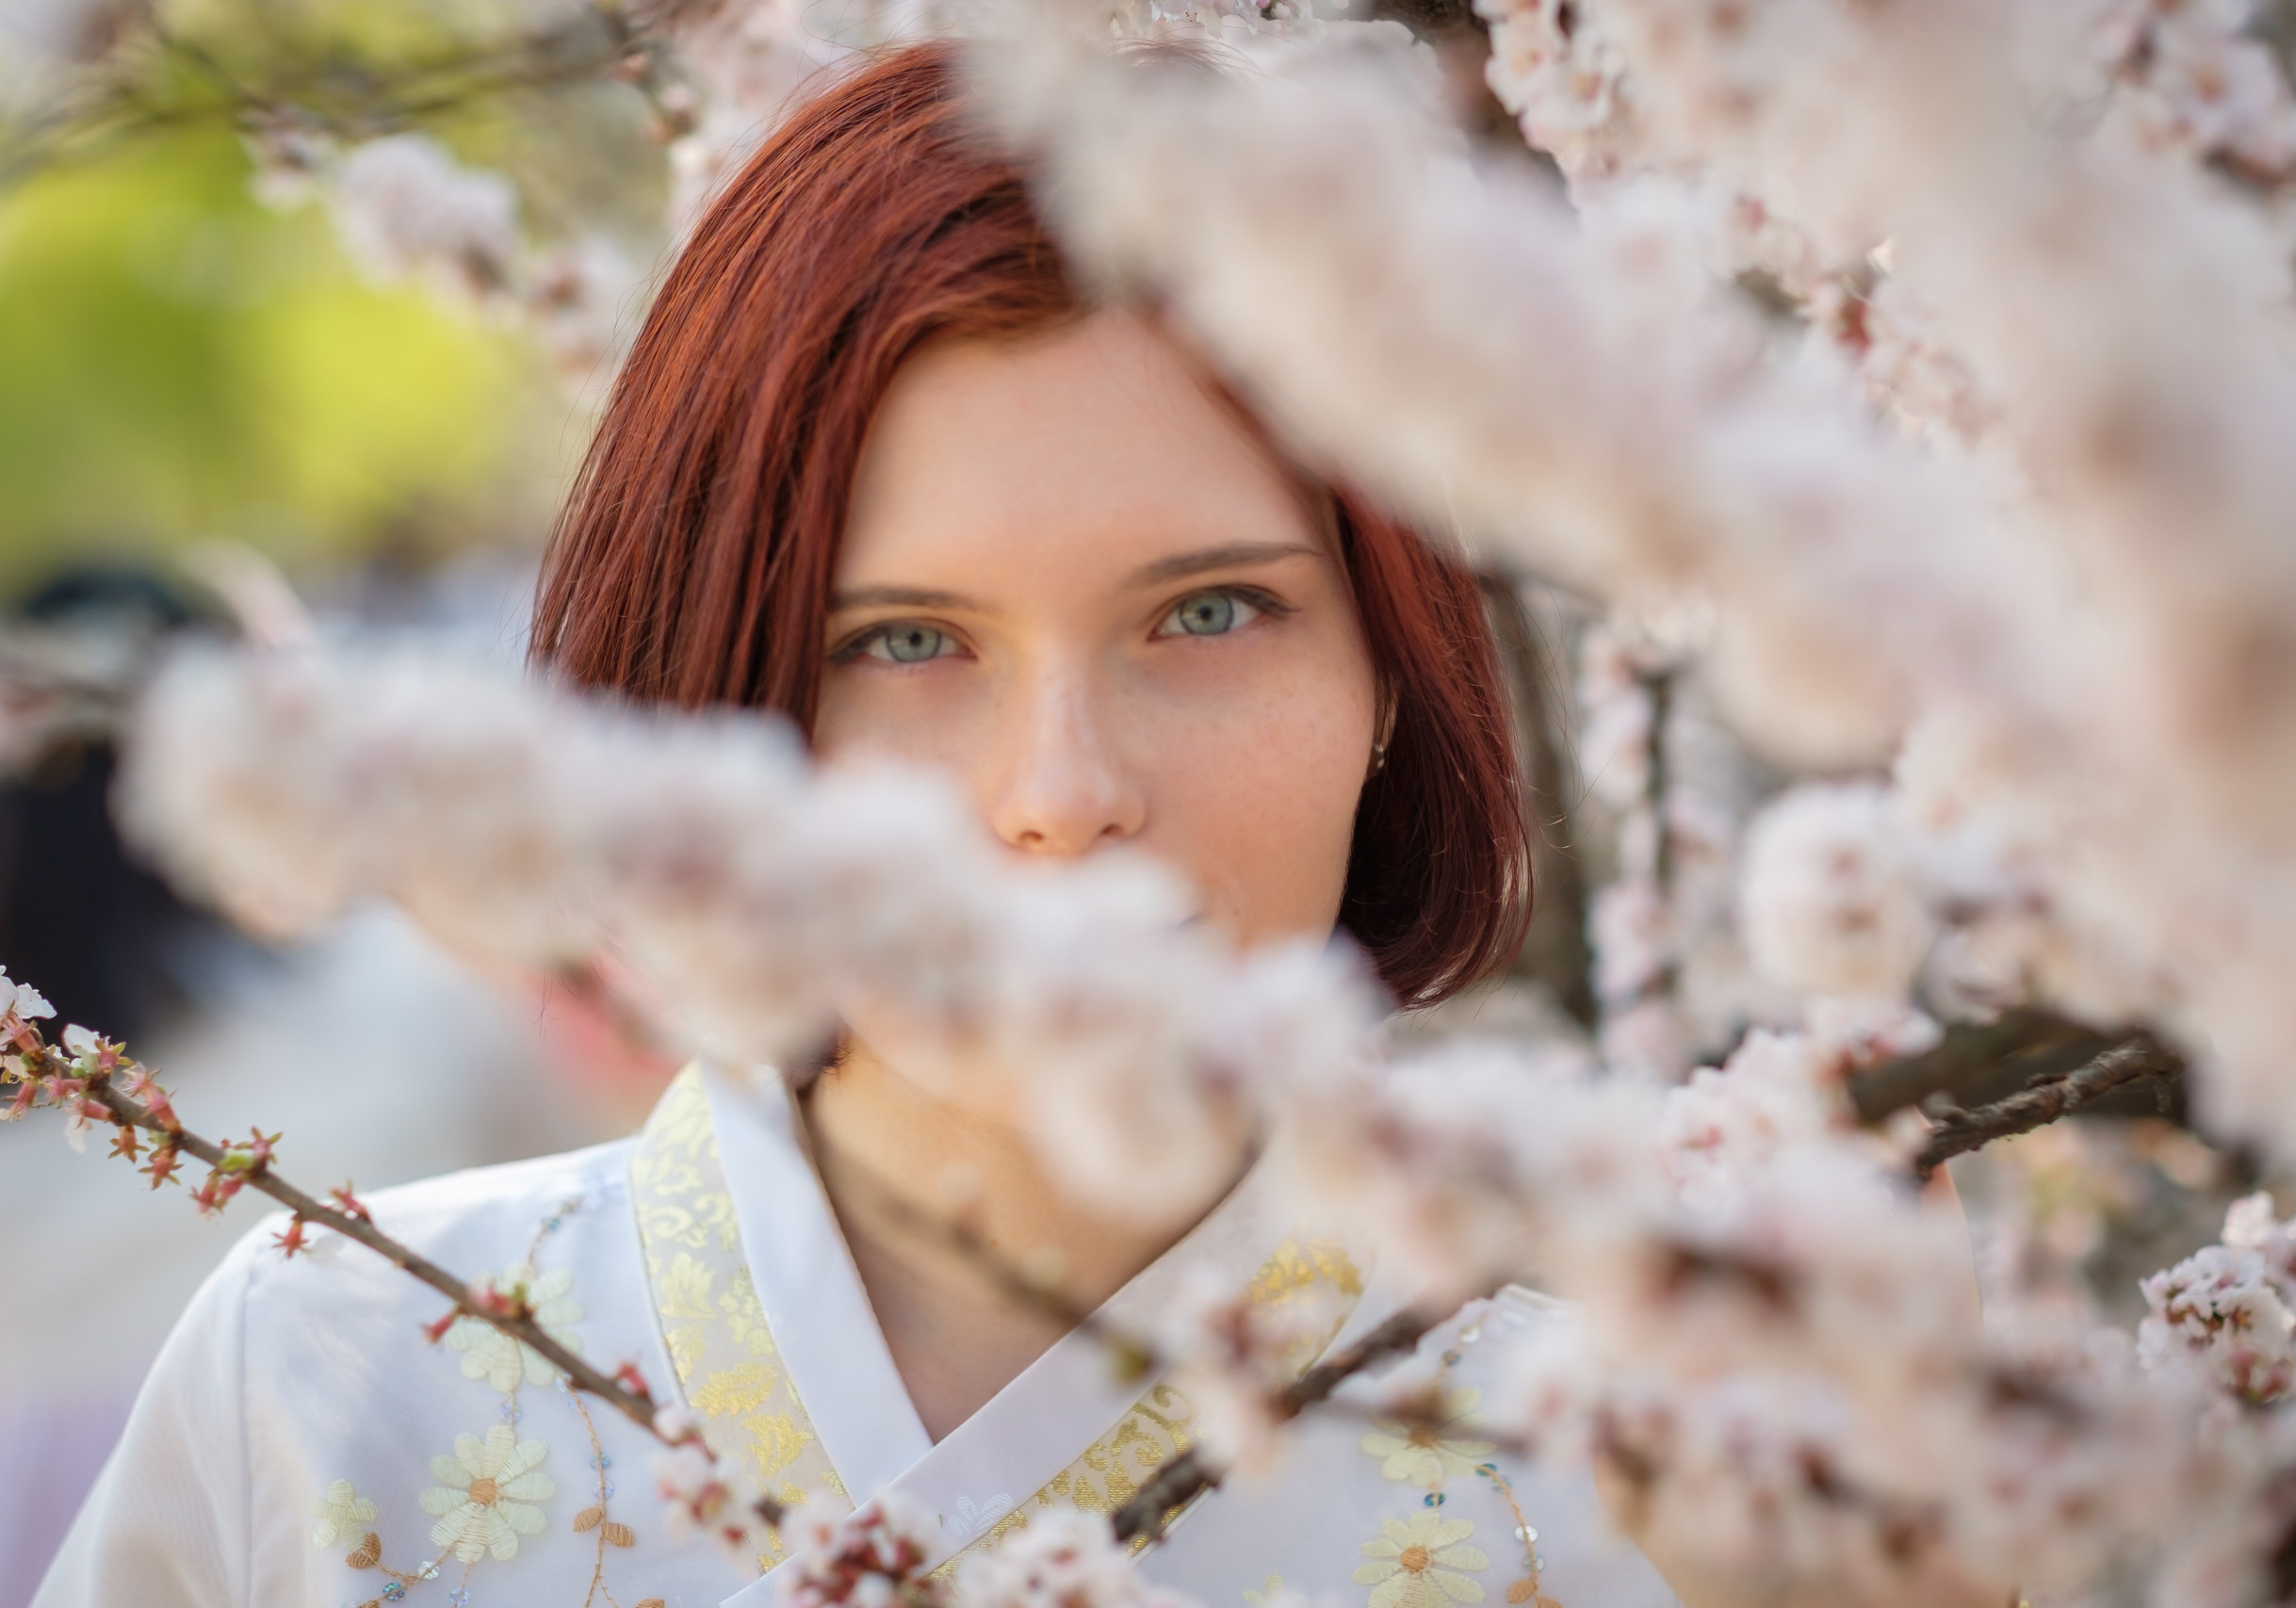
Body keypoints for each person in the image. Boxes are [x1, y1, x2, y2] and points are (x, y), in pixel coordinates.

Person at [36, 43, 1682, 1608]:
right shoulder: (340, 1385)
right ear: (718, 694)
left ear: (1389, 679)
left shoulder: (1651, 1485)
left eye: (1208, 615)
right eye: (904, 643)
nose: (1062, 795)